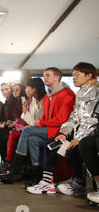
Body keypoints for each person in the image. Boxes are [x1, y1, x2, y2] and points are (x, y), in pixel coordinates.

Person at [28, 63, 98, 195]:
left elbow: (92, 118)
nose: (73, 78)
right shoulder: (80, 92)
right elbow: (73, 117)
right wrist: (63, 133)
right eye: (72, 75)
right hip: (77, 133)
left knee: (72, 149)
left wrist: (78, 138)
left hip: (91, 134)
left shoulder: (95, 90)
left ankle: (79, 183)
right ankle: (48, 183)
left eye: (77, 74)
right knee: (52, 144)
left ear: (89, 75)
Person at [4, 68, 76, 186]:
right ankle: (37, 174)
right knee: (32, 139)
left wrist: (40, 122)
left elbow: (62, 119)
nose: (45, 78)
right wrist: (39, 121)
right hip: (49, 129)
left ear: (57, 78)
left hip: (60, 131)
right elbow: (45, 119)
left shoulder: (67, 94)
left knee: (26, 131)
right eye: (44, 75)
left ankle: (14, 168)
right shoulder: (48, 97)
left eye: (48, 75)